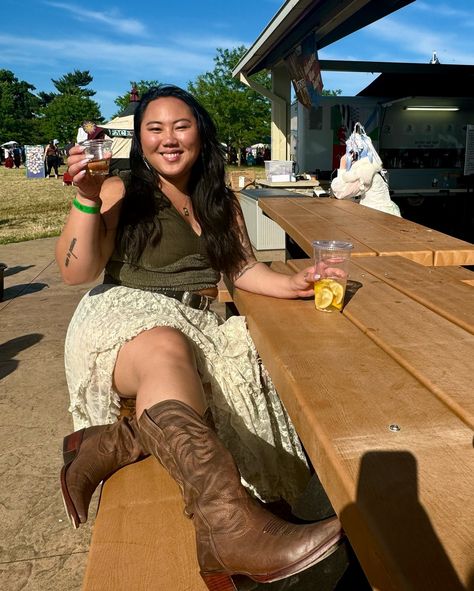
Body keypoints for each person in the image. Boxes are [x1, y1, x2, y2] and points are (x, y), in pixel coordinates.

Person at [56, 85, 343, 589]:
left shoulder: (220, 200)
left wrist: (292, 283)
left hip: (198, 322)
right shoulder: (124, 188)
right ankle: (227, 528)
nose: (169, 139)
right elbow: (76, 271)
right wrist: (85, 197)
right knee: (165, 343)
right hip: (123, 316)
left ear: (200, 134)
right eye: (155, 128)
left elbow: (244, 271)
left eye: (181, 126)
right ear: (139, 140)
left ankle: (124, 438)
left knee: (262, 369)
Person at [331, 152, 401, 217]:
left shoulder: (366, 171)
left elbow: (340, 192)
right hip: (383, 213)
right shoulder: (372, 168)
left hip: (377, 216)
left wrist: (342, 165)